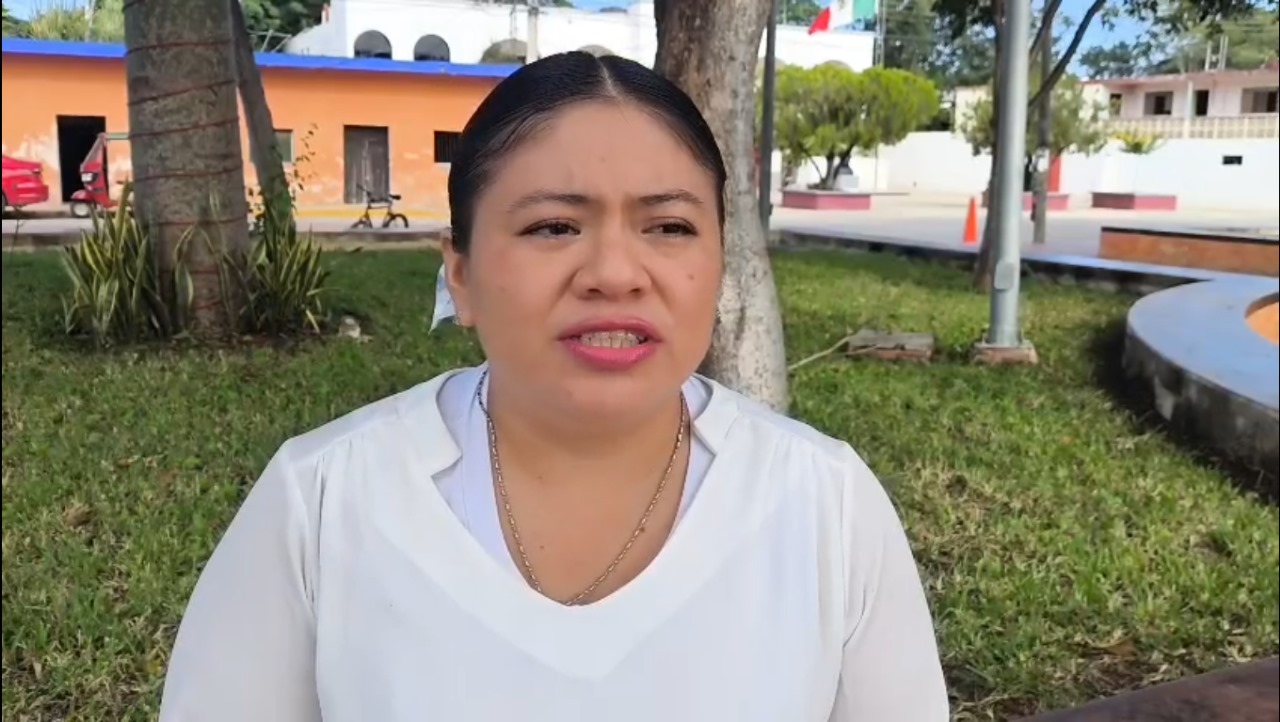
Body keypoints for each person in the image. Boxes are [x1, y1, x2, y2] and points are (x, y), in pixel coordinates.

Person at [158, 51, 949, 721]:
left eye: (669, 226)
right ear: (461, 274)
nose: (614, 273)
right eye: (554, 227)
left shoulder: (826, 507)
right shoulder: (324, 501)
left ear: (719, 263)